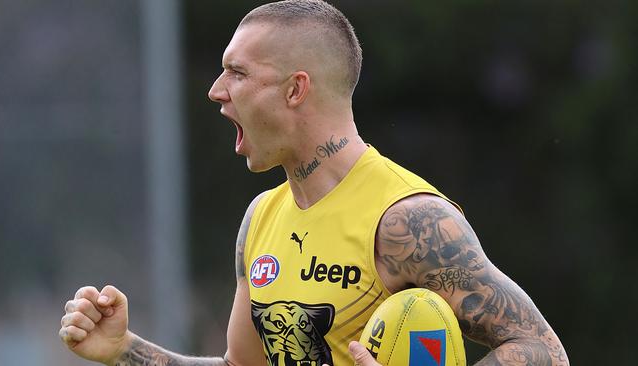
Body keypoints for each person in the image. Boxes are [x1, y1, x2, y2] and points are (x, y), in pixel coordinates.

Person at [59, 1, 569, 365]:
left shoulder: (408, 220)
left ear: (295, 89)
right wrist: (125, 351)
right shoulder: (260, 219)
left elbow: (542, 350)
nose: (216, 92)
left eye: (236, 73)